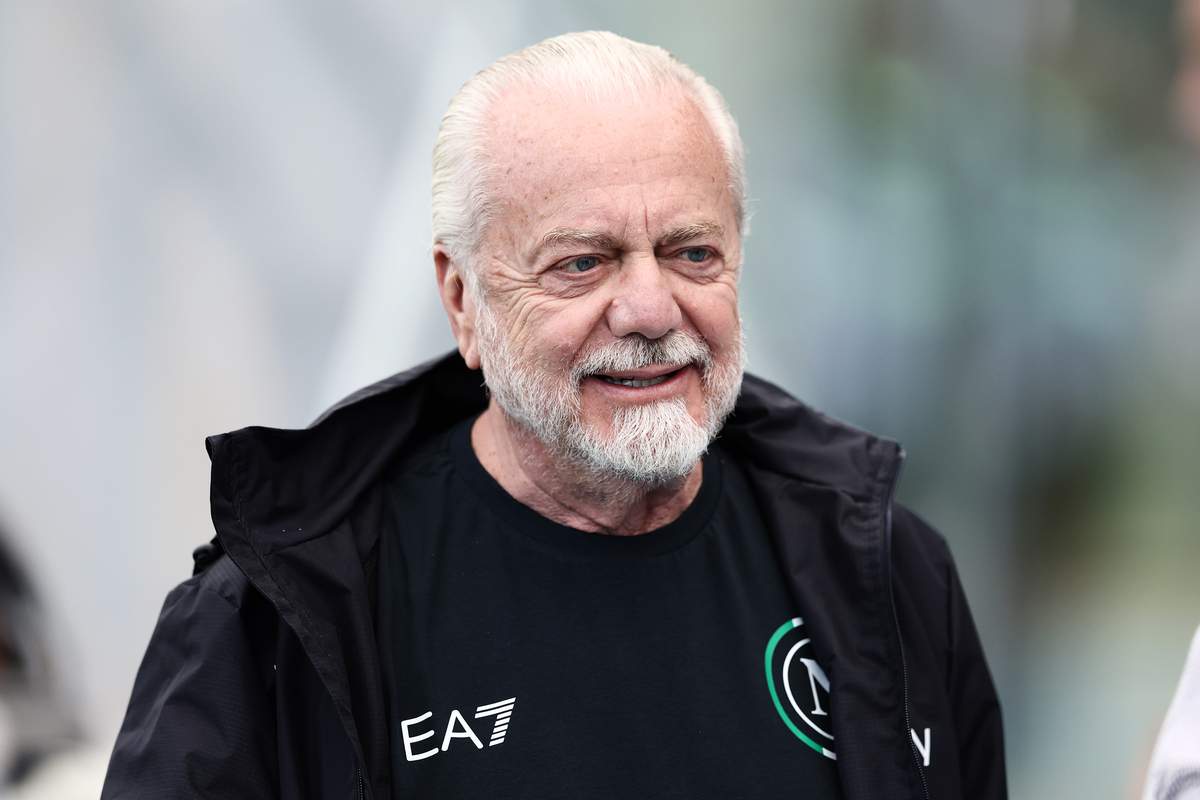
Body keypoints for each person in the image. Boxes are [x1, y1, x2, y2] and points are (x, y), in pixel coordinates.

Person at [101, 31, 1006, 799]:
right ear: (463, 300)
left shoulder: (884, 569)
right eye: (582, 263)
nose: (650, 309)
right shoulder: (278, 618)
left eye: (693, 253)